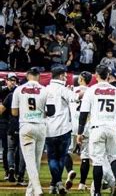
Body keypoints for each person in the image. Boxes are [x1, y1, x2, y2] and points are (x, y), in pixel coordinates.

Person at [77, 65, 116, 196]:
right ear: (108, 76)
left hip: (96, 129)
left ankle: (97, 192)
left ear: (96, 75)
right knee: (114, 157)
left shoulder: (91, 90)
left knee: (98, 161)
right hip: (112, 128)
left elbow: (83, 114)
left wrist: (80, 132)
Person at [11, 68, 49, 196]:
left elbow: (14, 112)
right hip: (41, 126)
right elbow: (50, 110)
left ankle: (37, 189)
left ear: (27, 76)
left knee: (30, 161)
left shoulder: (18, 89)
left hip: (26, 126)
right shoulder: (45, 90)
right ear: (38, 76)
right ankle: (30, 191)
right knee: (36, 160)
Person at [44, 66, 81, 194]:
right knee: (61, 158)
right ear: (60, 76)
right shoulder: (62, 89)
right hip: (63, 128)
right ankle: (58, 183)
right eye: (65, 76)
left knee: (52, 158)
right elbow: (76, 97)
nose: (66, 78)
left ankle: (54, 185)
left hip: (48, 129)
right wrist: (86, 91)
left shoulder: (45, 89)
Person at [67, 71, 93, 191]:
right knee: (85, 157)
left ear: (81, 79)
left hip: (72, 126)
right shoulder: (92, 92)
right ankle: (82, 184)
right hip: (86, 127)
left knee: (66, 152)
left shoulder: (71, 90)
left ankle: (70, 171)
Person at [0, 73, 18, 181]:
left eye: (14, 80)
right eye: (11, 80)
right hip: (3, 122)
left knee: (14, 149)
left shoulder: (18, 91)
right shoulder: (2, 92)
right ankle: (8, 171)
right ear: (6, 81)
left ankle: (14, 170)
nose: (12, 82)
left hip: (14, 122)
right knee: (7, 148)